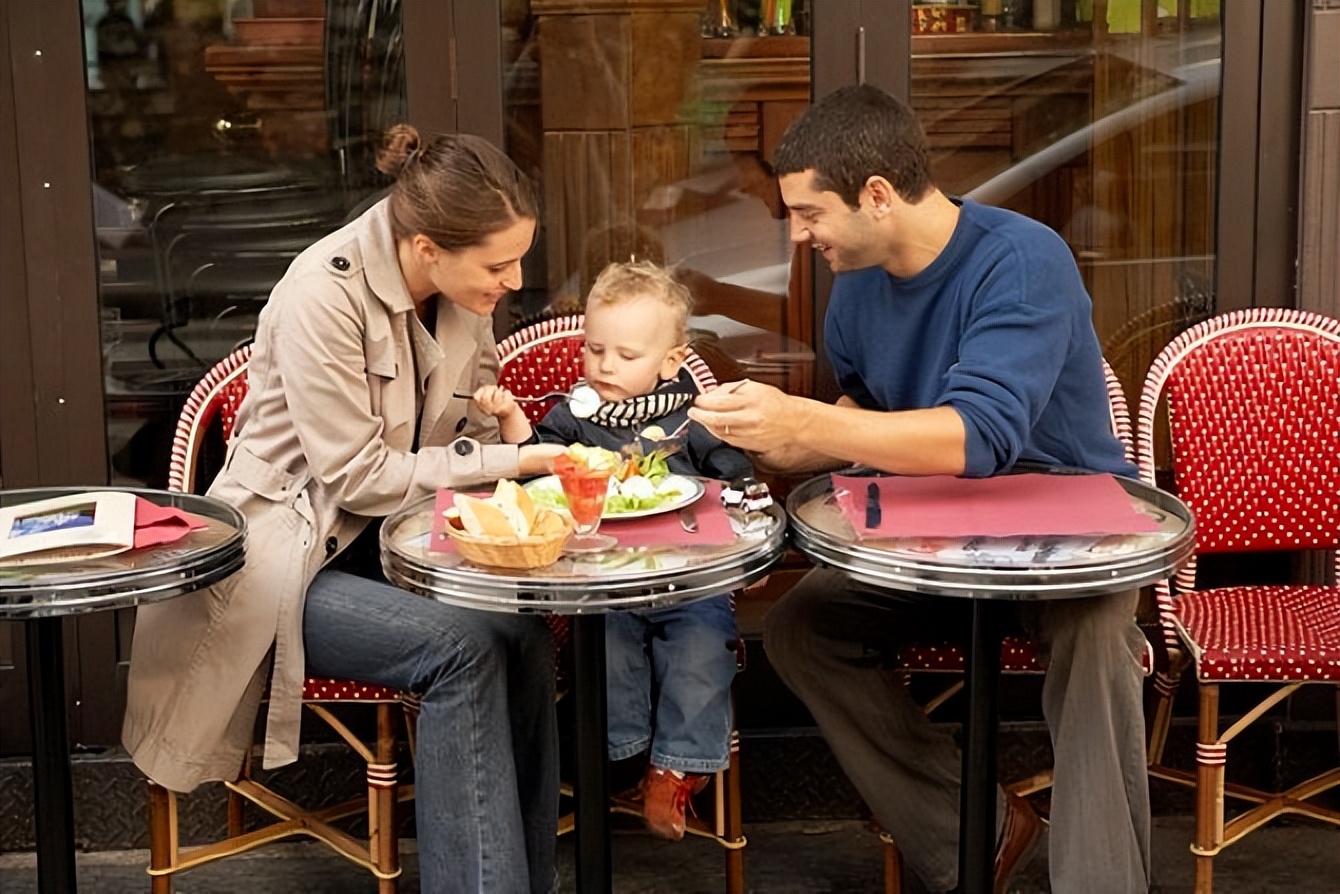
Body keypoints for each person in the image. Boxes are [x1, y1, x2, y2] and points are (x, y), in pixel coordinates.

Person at [688, 84, 1149, 894]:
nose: (797, 236)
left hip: (1071, 538)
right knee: (803, 630)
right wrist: (767, 442)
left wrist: (810, 424)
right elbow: (866, 414)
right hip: (936, 538)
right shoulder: (856, 285)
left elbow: (979, 436)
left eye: (808, 213)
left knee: (1097, 638)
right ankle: (978, 833)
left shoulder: (1023, 259)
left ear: (875, 195)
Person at [122, 125, 566, 894]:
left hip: (393, 543)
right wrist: (514, 461)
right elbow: (358, 477)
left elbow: (468, 425)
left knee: (520, 635)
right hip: (285, 555)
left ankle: (524, 881)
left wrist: (523, 439)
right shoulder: (319, 293)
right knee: (462, 648)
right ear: (427, 246)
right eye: (499, 264)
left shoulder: (463, 295)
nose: (515, 280)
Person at [476, 260, 752, 840]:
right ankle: (622, 752)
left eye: (626, 357)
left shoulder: (694, 419)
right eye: (595, 350)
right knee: (605, 642)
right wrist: (510, 422)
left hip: (686, 578)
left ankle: (671, 770)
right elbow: (532, 479)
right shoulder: (572, 416)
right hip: (601, 582)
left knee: (706, 644)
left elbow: (735, 482)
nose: (605, 366)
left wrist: (739, 517)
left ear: (670, 362)